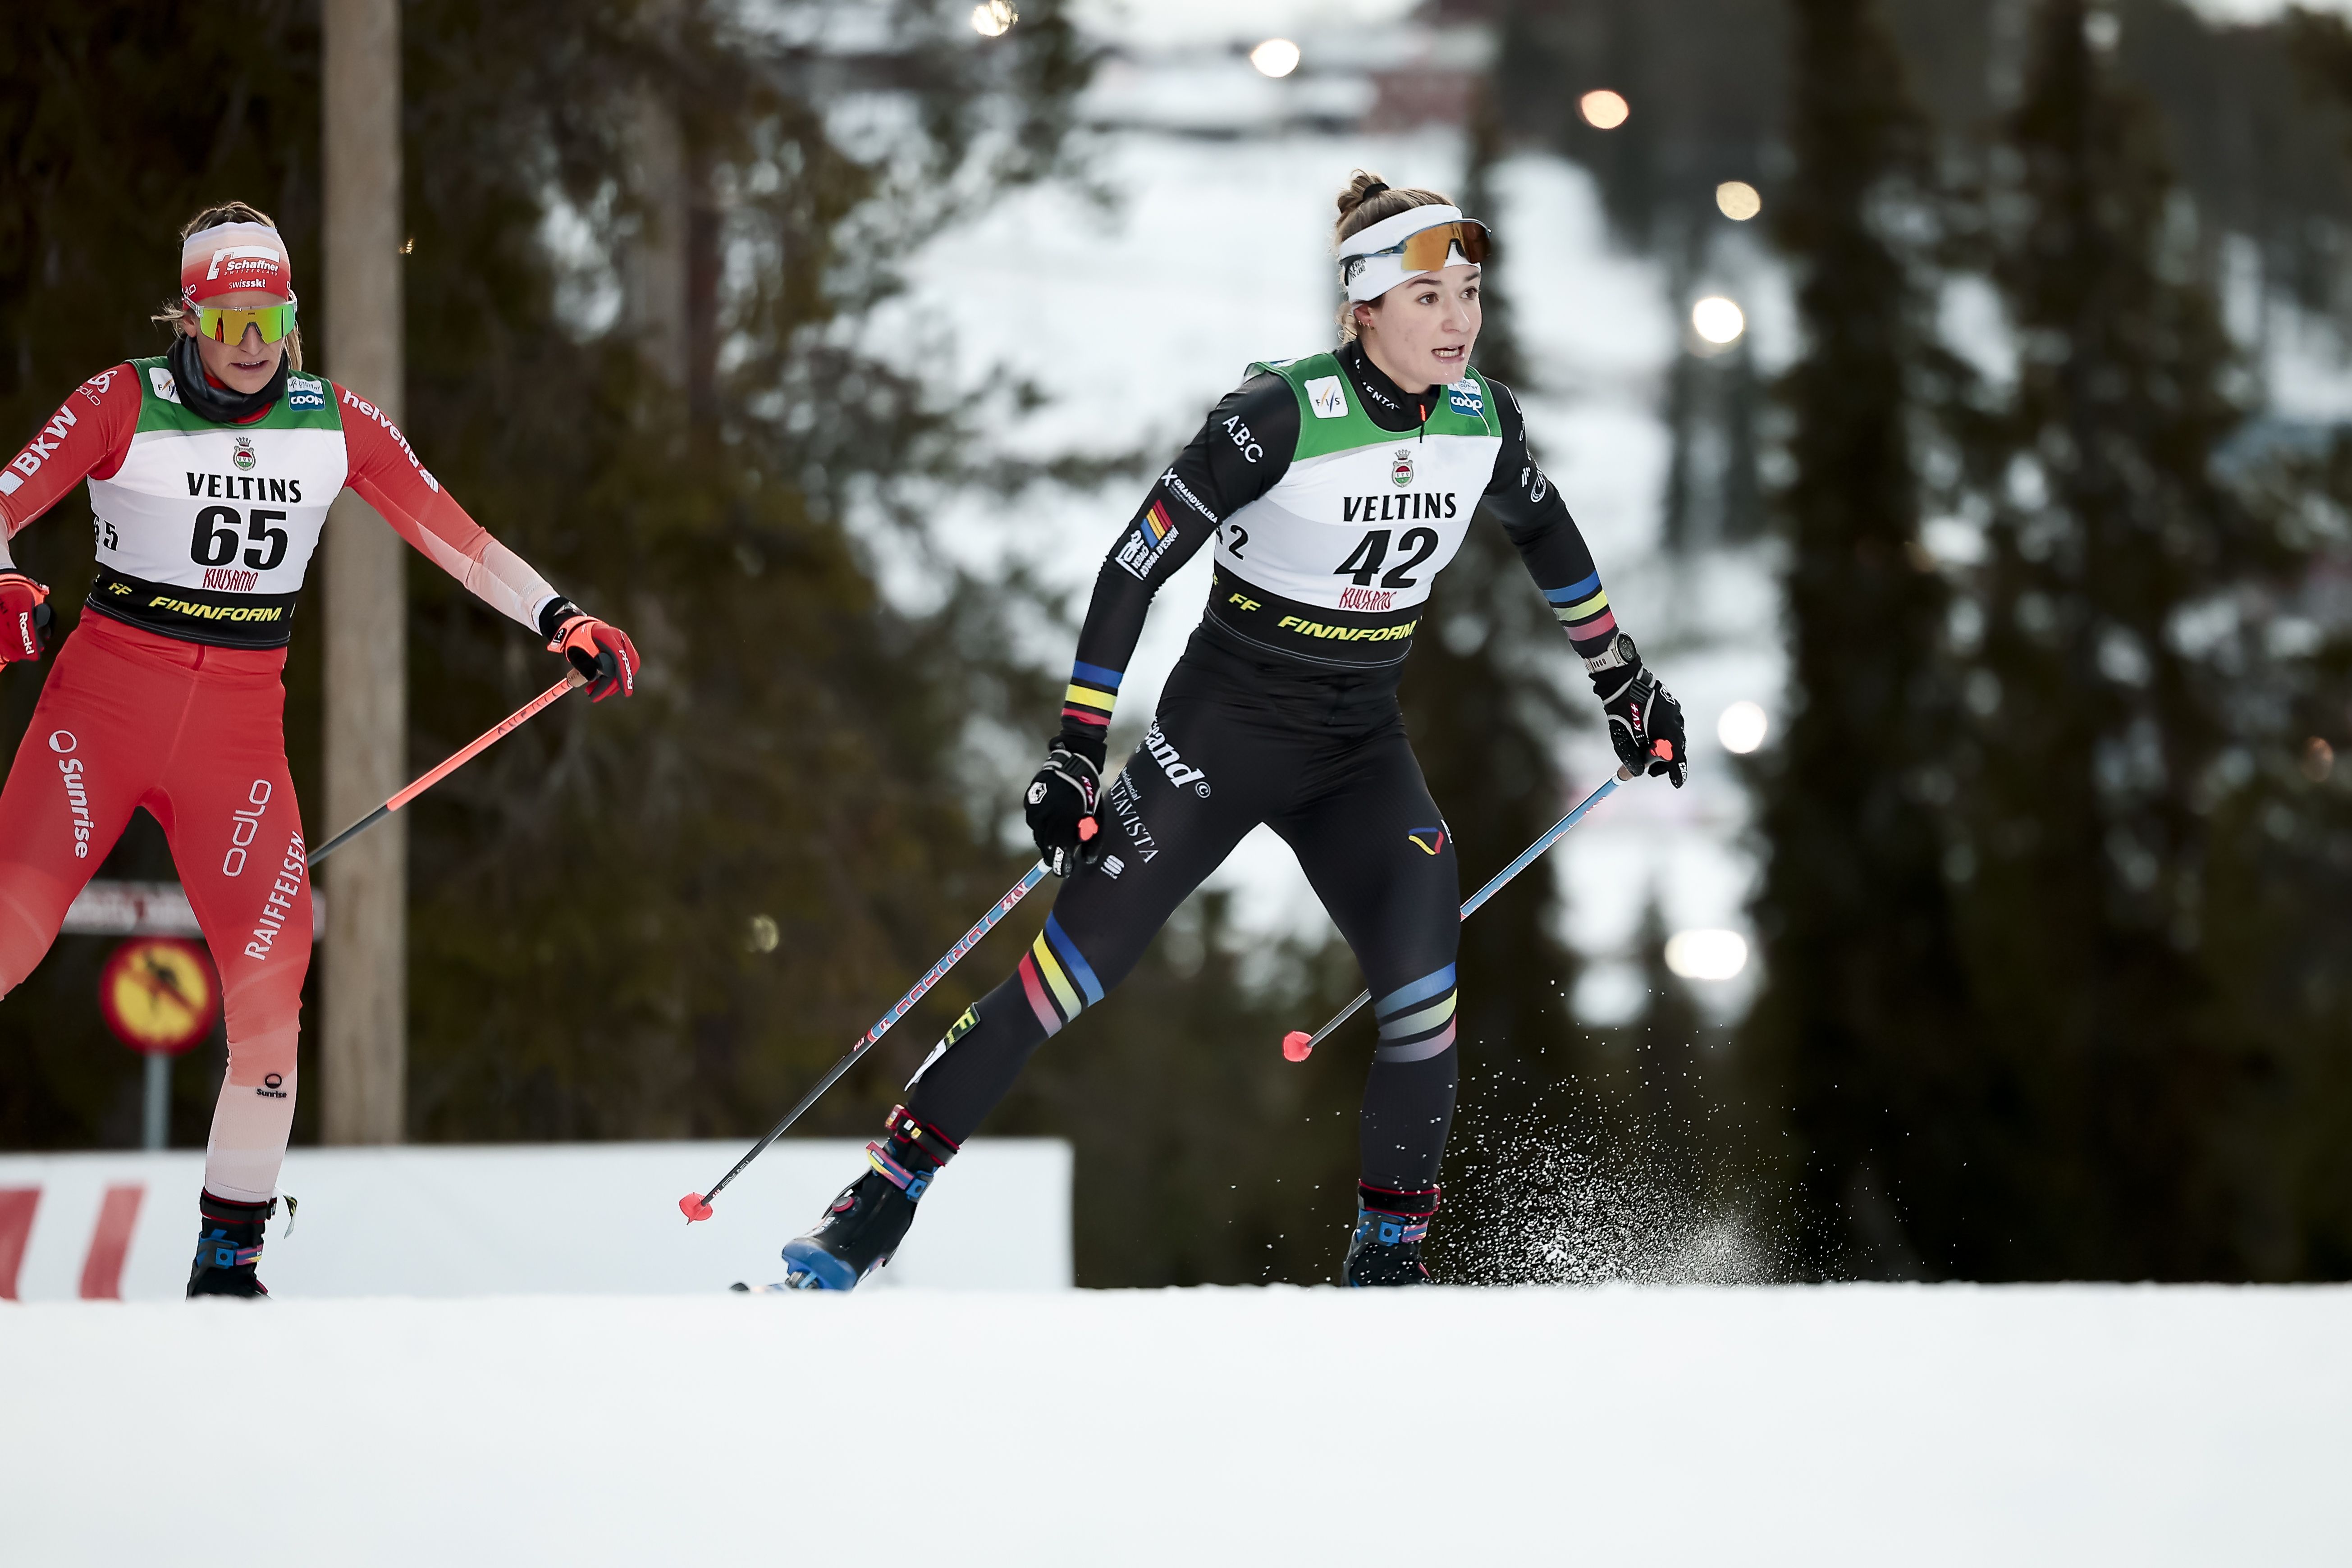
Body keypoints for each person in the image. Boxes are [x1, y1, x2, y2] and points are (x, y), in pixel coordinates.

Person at [773, 172, 1686, 1290]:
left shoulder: (1479, 421)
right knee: (1070, 973)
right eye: (1429, 296)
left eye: (1470, 293)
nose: (1459, 321)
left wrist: (1620, 680)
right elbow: (1131, 566)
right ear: (1361, 303)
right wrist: (1073, 748)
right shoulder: (1278, 417)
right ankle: (876, 1200)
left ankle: (1387, 1261)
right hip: (1217, 738)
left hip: (1357, 750)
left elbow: (1547, 537)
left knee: (1423, 985)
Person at [0, 202, 640, 1297]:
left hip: (239, 745)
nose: (252, 340)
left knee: (270, 998)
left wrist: (559, 617)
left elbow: (458, 534)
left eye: (272, 313)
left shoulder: (333, 420)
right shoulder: (123, 399)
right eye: (230, 314)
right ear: (190, 315)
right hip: (98, 715)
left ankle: (227, 1267)